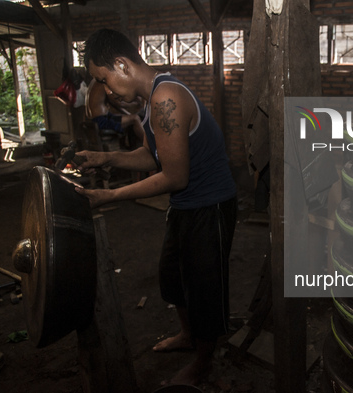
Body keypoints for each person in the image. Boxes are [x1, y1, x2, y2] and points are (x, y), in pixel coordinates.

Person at [76, 28, 237, 386]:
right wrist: (106, 157)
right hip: (186, 205)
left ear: (121, 64)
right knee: (173, 278)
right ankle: (188, 336)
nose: (108, 89)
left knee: (205, 290)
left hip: (209, 207)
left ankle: (203, 364)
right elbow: (152, 154)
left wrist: (111, 196)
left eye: (105, 79)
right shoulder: (151, 101)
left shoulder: (167, 97)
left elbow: (174, 176)